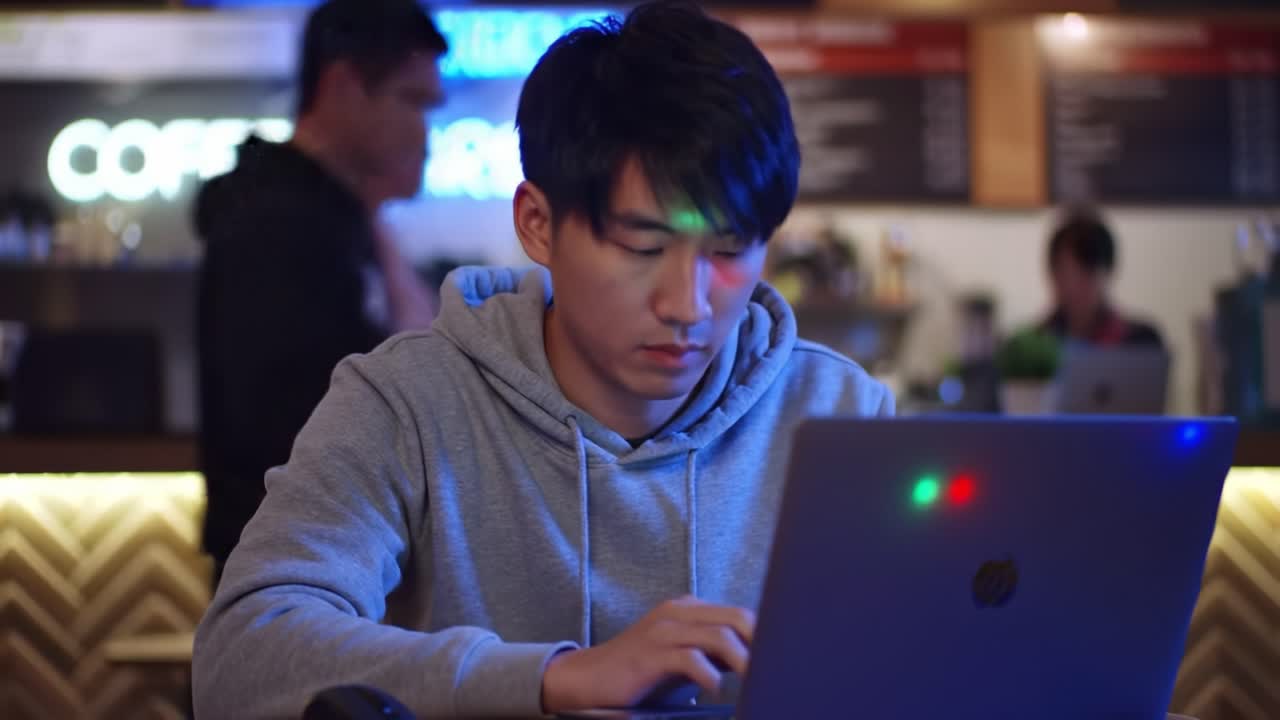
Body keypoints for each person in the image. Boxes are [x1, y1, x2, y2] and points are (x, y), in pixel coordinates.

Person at [192, 3, 894, 717]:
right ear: (536, 223)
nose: (688, 303)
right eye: (642, 247)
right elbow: (241, 657)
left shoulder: (839, 416)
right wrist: (553, 678)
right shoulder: (406, 404)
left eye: (730, 249)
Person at [194, 0, 447, 584]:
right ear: (342, 86)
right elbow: (294, 422)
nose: (424, 132)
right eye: (411, 101)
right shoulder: (276, 223)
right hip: (295, 570)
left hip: (333, 558)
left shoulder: (340, 216)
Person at [1040, 210, 1163, 347]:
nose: (1072, 286)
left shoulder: (1141, 342)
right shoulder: (1030, 348)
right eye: (1064, 273)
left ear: (1110, 271)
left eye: (1086, 273)